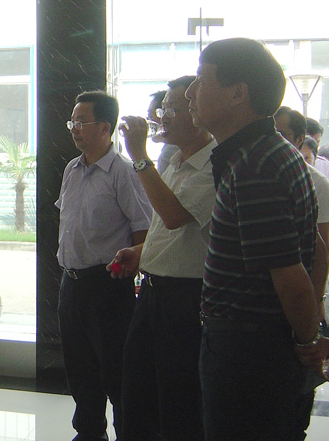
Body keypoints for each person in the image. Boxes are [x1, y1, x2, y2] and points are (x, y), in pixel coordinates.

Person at [185, 38, 320, 440]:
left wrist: (307, 341)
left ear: (237, 93)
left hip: (249, 352)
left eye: (201, 80)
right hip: (255, 345)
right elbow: (316, 247)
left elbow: (291, 275)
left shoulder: (255, 166)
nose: (190, 92)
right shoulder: (268, 152)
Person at [110, 75, 215, 441]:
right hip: (153, 291)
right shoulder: (176, 161)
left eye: (172, 109)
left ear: (198, 113)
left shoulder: (214, 164)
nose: (161, 116)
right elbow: (169, 230)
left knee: (177, 398)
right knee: (137, 392)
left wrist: (139, 156)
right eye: (162, 109)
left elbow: (173, 216)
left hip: (185, 298)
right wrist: (140, 252)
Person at [56, 90, 152, 441]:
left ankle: (128, 433)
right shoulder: (72, 168)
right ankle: (89, 432)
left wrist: (134, 268)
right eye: (72, 121)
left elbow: (144, 229)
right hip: (71, 283)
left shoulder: (123, 172)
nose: (74, 128)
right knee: (79, 368)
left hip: (107, 285)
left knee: (116, 371)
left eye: (82, 122)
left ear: (105, 128)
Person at [273, 106, 329, 440]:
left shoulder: (315, 183)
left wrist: (315, 302)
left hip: (299, 299)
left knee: (294, 397)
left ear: (298, 140)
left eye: (281, 135)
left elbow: (322, 249)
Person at [148, 89, 179, 173]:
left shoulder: (170, 152)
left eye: (151, 116)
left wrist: (138, 153)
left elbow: (156, 182)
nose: (148, 121)